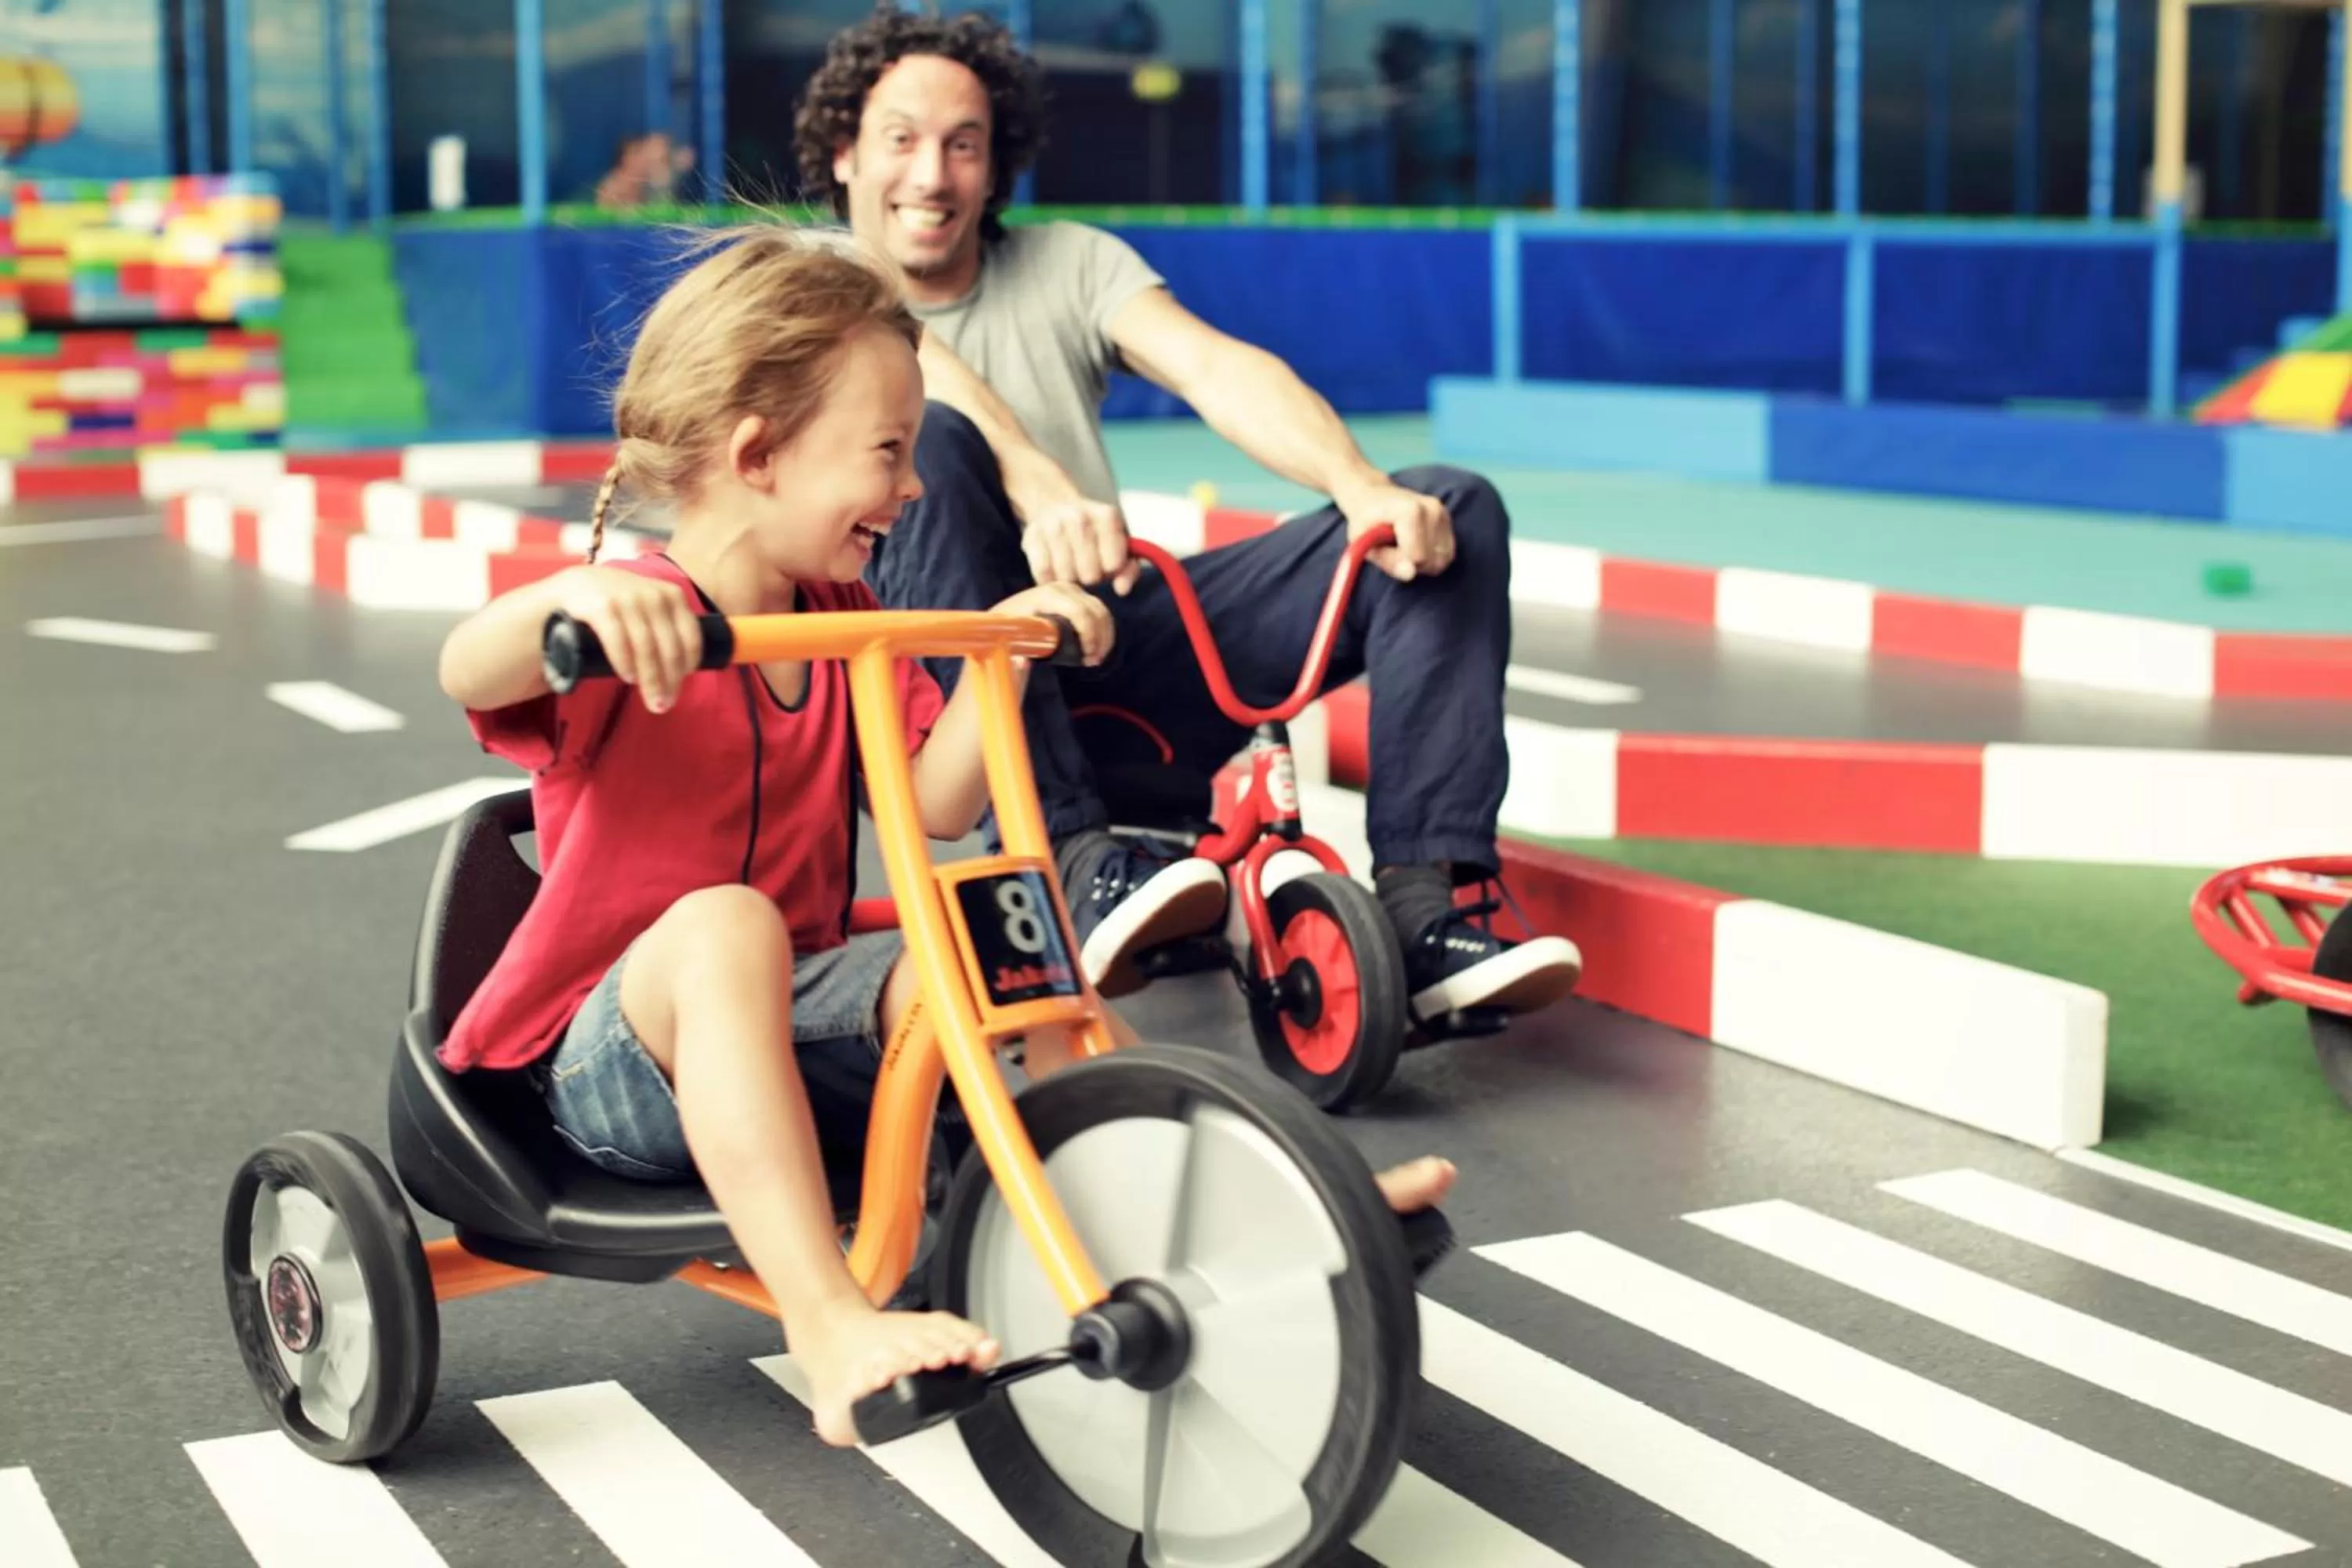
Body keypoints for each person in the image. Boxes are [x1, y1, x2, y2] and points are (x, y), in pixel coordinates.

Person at [433, 227, 1457, 1449]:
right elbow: (471, 669)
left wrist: (1001, 645)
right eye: (888, 452)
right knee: (725, 926)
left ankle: (1259, 1196)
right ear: (758, 455)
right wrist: (568, 600)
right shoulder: (633, 623)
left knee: (994, 942)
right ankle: (827, 1327)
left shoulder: (843, 618)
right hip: (610, 1067)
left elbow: (935, 805)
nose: (914, 487)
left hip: (789, 1008)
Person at [792, 5, 1582, 1033]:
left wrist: (1359, 485)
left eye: (964, 144)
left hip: (1110, 641)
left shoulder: (1069, 263)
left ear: (997, 164)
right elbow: (919, 365)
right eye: (901, 140)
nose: (932, 175)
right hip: (946, 695)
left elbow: (1212, 366)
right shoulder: (810, 284)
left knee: (1450, 510)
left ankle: (1423, 913)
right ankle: (1072, 863)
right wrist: (1034, 479)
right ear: (845, 152)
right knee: (933, 449)